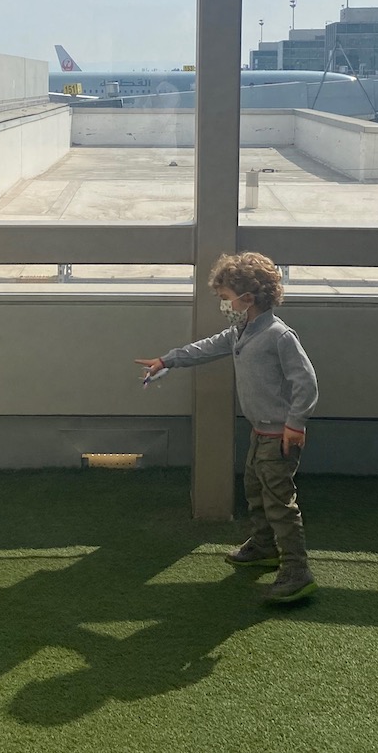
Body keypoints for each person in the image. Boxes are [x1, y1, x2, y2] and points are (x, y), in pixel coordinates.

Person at [136, 252, 320, 604]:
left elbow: (306, 382)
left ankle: (297, 572)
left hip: (279, 436)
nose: (223, 305)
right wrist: (168, 360)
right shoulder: (242, 331)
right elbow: (206, 347)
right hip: (260, 432)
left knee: (280, 503)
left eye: (225, 298)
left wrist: (295, 424)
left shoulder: (278, 335)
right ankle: (265, 547)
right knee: (255, 490)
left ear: (247, 298)